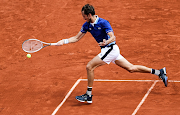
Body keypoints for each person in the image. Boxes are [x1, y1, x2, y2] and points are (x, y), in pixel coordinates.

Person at [57, 4, 168, 104]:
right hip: (108, 51)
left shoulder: (103, 22)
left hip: (110, 49)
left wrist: (107, 41)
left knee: (89, 66)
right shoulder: (87, 25)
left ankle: (88, 95)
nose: (83, 18)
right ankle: (159, 72)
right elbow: (76, 38)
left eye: (84, 16)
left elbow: (113, 37)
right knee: (131, 68)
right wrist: (63, 41)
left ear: (89, 14)